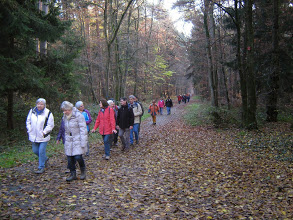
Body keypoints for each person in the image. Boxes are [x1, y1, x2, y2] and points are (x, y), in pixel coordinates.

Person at [61, 101, 88, 181]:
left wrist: (83, 142)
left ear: (70, 109)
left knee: (78, 157)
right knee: (70, 158)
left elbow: (83, 129)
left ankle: (83, 171)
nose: (65, 112)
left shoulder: (78, 116)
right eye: (64, 110)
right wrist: (65, 139)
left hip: (78, 138)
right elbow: (65, 129)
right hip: (69, 140)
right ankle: (73, 174)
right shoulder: (65, 116)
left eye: (66, 110)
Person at [26, 98, 54, 174]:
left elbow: (50, 125)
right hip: (33, 135)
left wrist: (44, 132)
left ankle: (41, 167)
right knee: (35, 151)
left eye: (41, 104)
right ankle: (45, 159)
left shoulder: (48, 113)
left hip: (43, 136)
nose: (39, 105)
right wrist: (29, 129)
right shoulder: (32, 111)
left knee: (41, 151)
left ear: (44, 105)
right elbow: (28, 121)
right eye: (38, 104)